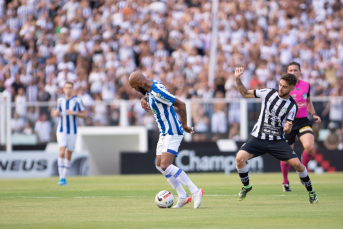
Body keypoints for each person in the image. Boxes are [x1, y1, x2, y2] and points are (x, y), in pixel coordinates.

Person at [234, 67, 318, 204]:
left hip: (277, 141)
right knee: (239, 158)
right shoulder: (267, 93)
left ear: (291, 88)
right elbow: (244, 93)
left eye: (285, 87)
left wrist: (288, 129)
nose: (281, 88)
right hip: (258, 138)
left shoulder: (292, 106)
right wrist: (237, 78)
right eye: (280, 85)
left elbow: (288, 131)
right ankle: (246, 186)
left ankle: (311, 191)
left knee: (297, 164)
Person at [129, 71, 204, 209]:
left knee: (165, 165)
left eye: (134, 87)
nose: (135, 90)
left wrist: (185, 125)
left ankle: (195, 191)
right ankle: (182, 196)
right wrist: (143, 99)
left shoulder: (157, 91)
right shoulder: (152, 88)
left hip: (172, 131)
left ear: (139, 83)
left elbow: (181, 104)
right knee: (159, 165)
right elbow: (151, 96)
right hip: (164, 132)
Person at [280, 62, 321, 192]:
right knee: (286, 157)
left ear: (300, 71)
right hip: (288, 123)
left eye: (295, 70)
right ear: (287, 72)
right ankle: (285, 181)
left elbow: (308, 101)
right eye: (290, 70)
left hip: (303, 121)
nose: (293, 72)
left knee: (309, 147)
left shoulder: (306, 85)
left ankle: (302, 170)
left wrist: (313, 114)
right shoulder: (284, 87)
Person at [51, 82, 86, 186]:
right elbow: (55, 113)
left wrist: (74, 113)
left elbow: (84, 115)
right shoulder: (60, 101)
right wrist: (55, 113)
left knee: (69, 153)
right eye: (66, 88)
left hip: (73, 131)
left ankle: (64, 176)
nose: (68, 90)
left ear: (72, 89)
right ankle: (61, 177)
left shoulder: (77, 101)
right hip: (62, 130)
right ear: (64, 89)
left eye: (70, 88)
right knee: (61, 151)